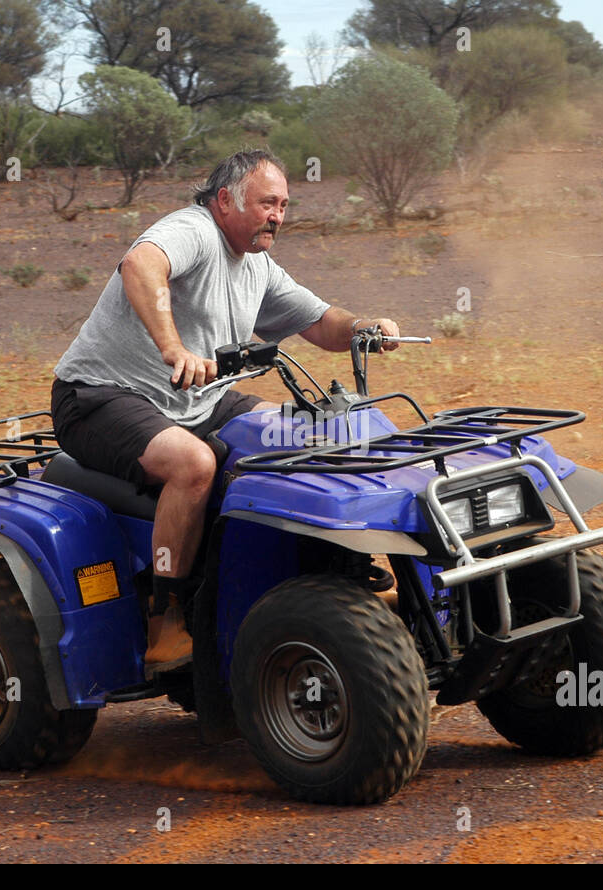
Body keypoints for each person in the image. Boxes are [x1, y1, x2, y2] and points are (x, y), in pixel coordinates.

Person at [51, 149, 400, 678]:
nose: (278, 215)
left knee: (293, 437)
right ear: (224, 201)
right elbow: (140, 264)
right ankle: (165, 615)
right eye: (267, 203)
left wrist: (366, 328)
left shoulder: (256, 263)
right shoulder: (192, 230)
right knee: (193, 465)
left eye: (283, 204)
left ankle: (316, 579)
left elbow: (323, 323)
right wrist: (174, 349)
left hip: (199, 398)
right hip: (103, 396)